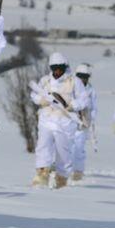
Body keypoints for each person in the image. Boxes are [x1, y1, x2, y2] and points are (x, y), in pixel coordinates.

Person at [30, 52, 88, 189]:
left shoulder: (74, 81)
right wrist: (41, 100)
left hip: (65, 122)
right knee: (43, 146)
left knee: (63, 152)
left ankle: (61, 179)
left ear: (64, 67)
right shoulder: (45, 81)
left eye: (59, 68)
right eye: (54, 68)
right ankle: (41, 174)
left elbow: (83, 99)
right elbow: (34, 95)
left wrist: (72, 105)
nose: (57, 71)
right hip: (46, 119)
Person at [72, 63, 98, 181]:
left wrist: (88, 119)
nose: (82, 78)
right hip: (70, 121)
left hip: (83, 123)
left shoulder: (91, 90)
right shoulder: (71, 87)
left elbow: (94, 108)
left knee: (79, 149)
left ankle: (78, 173)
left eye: (85, 76)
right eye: (80, 76)